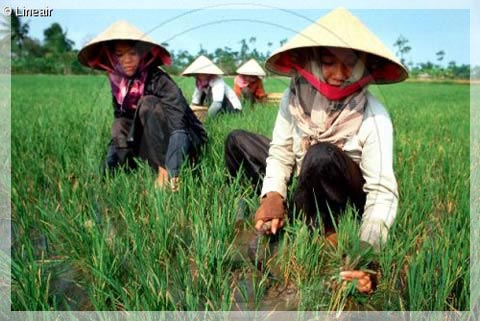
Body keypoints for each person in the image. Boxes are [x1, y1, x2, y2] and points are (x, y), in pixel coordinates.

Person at [225, 8, 408, 294]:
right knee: (238, 141)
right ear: (311, 61)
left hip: (340, 190)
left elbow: (382, 192)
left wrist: (367, 253)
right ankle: (280, 207)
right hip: (303, 174)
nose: (338, 74)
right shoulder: (294, 96)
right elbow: (282, 151)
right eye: (327, 62)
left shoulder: (374, 115)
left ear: (363, 66)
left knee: (321, 154)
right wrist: (273, 193)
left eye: (350, 64)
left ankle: (327, 233)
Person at [77, 20, 207, 190]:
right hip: (154, 141)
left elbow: (178, 126)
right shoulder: (119, 84)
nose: (126, 60)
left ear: (142, 54)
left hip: (186, 141)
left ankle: (163, 172)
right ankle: (121, 170)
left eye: (132, 53)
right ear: (112, 57)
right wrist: (105, 171)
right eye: (119, 55)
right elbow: (122, 123)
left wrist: (172, 170)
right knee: (120, 122)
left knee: (148, 104)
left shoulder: (159, 80)